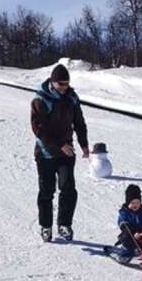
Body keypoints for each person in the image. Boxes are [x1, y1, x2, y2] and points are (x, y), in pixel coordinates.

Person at [31, 64, 89, 242]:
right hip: (46, 153)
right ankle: (46, 226)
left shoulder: (72, 98)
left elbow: (79, 122)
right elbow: (38, 129)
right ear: (53, 82)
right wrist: (59, 145)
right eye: (61, 84)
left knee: (68, 189)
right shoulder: (41, 99)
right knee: (47, 191)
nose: (64, 87)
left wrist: (84, 144)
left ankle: (64, 224)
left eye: (66, 83)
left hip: (66, 152)